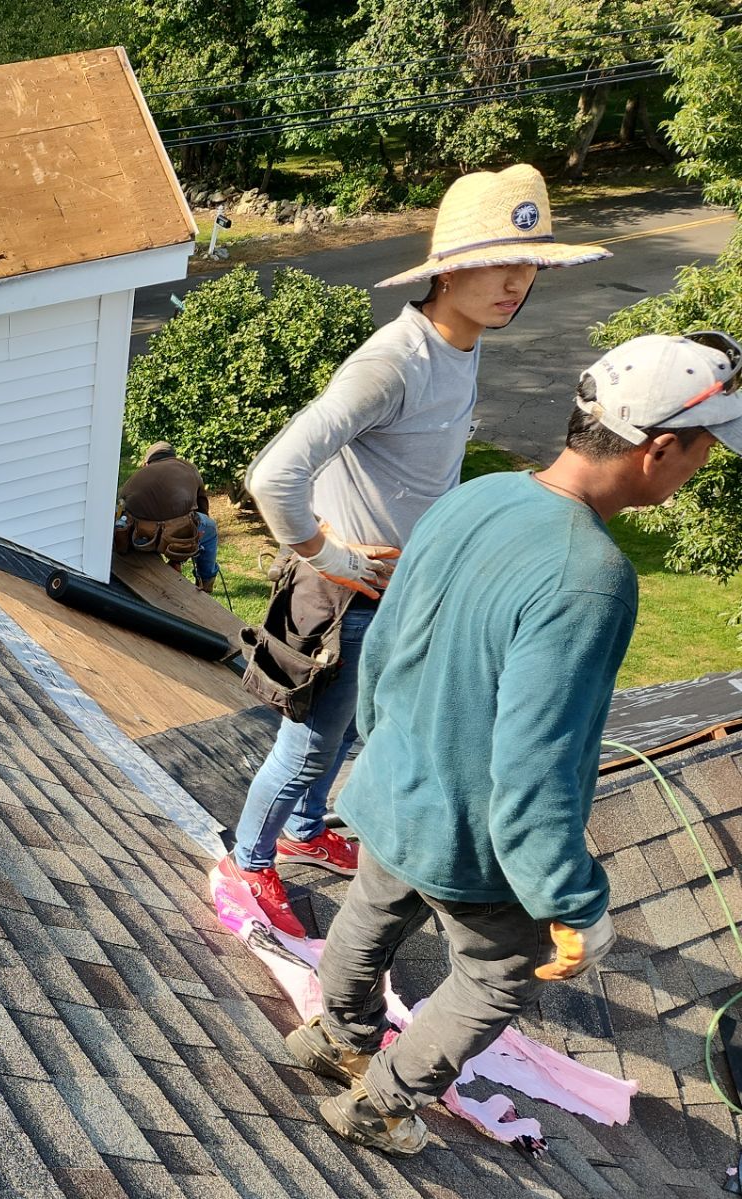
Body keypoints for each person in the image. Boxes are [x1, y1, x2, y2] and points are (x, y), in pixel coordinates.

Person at [282, 332, 741, 1155]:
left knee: (370, 912)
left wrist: (387, 756)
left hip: (392, 786)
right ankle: (379, 1104)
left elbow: (384, 650)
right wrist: (573, 906)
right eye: (706, 448)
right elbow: (537, 768)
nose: (702, 466)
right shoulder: (590, 577)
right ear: (661, 448)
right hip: (471, 833)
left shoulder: (477, 496)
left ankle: (335, 1038)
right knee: (500, 972)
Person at [214, 164, 608, 938]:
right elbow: (275, 475)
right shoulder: (393, 360)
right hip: (342, 597)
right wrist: (329, 556)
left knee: (350, 734)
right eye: (501, 264)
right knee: (307, 745)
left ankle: (301, 832)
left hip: (396, 593)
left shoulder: (460, 348)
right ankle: (246, 865)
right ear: (450, 270)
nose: (517, 283)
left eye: (529, 265)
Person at [116, 441, 219, 592]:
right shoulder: (188, 468)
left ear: (147, 462)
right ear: (173, 456)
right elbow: (202, 506)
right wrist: (197, 535)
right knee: (210, 529)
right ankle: (205, 580)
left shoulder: (138, 474)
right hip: (173, 532)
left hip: (138, 534)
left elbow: (122, 505)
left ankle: (173, 561)